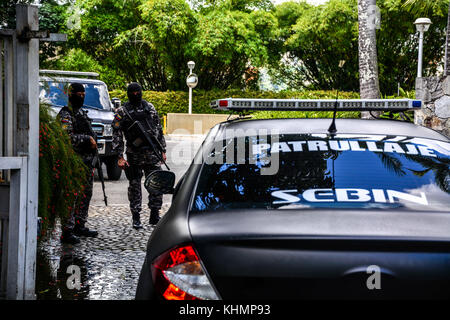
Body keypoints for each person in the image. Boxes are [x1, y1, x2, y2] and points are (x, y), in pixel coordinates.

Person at [112, 82, 167, 229]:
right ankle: (136, 217)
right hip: (134, 154)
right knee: (135, 186)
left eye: (138, 92)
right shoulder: (122, 111)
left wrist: (163, 150)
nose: (136, 95)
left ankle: (154, 215)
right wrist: (120, 156)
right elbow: (116, 134)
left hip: (152, 153)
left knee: (156, 182)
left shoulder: (150, 108)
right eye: (133, 92)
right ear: (129, 94)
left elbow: (158, 129)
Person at [57, 83, 99, 244]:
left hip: (86, 163)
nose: (81, 97)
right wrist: (86, 139)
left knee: (85, 195)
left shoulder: (81, 113)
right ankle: (66, 231)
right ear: (70, 94)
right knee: (70, 197)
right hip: (72, 163)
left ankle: (79, 225)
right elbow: (65, 138)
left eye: (83, 94)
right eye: (78, 94)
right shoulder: (65, 114)